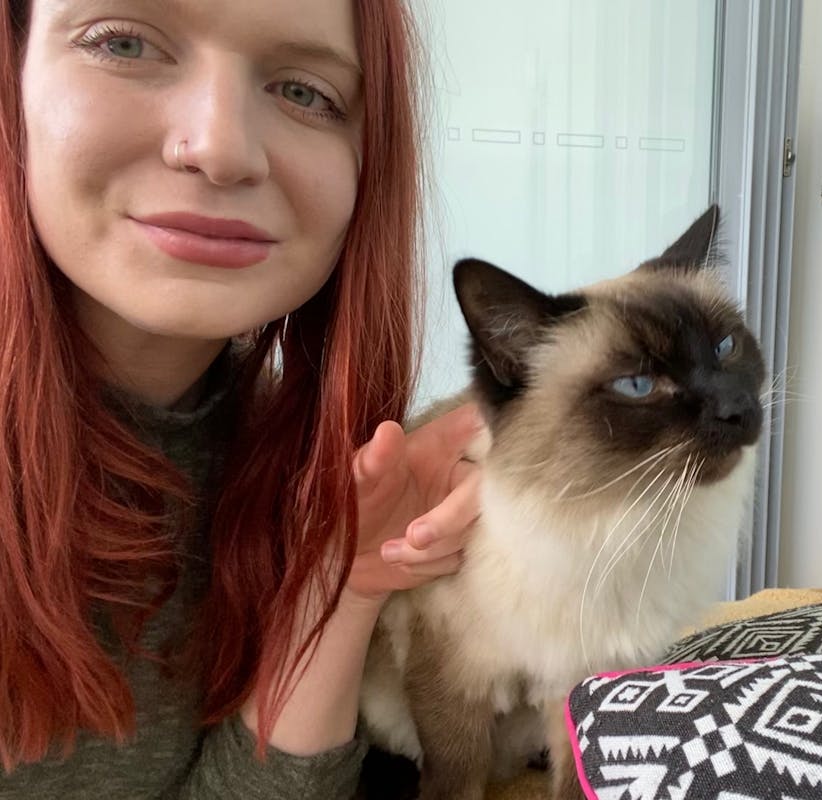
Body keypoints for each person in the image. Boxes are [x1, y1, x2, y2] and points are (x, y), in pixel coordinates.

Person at [0, 0, 480, 797]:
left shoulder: (306, 460)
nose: (221, 149)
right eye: (123, 42)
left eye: (304, 93)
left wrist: (341, 583)